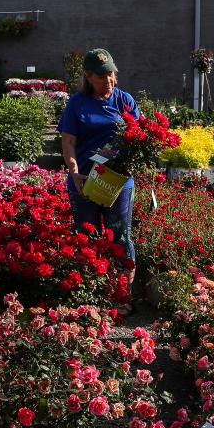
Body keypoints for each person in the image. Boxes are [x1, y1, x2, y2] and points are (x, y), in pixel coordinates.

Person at [58, 48, 139, 287]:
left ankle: (123, 293)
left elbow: (139, 136)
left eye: (111, 74)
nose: (108, 81)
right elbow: (68, 142)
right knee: (87, 238)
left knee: (121, 238)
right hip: (84, 181)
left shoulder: (125, 100)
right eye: (102, 77)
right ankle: (91, 292)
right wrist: (74, 173)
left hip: (117, 182)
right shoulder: (77, 103)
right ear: (88, 77)